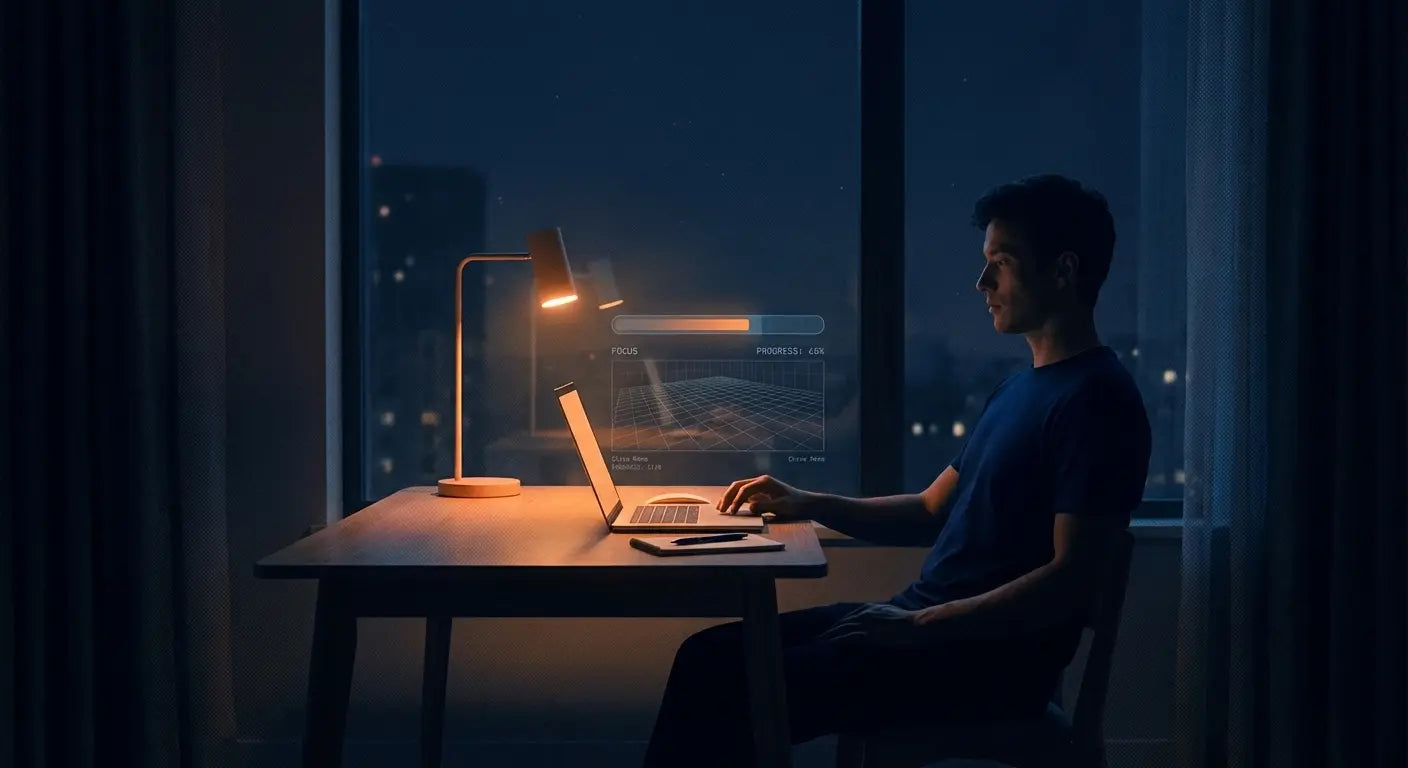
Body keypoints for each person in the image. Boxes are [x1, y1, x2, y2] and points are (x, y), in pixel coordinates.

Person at [642, 174, 1152, 767]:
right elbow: (932, 508)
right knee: (706, 656)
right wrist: (810, 503)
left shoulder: (1098, 402)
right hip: (925, 629)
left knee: (727, 690)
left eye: (1001, 264)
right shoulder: (1020, 388)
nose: (981, 283)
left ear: (1063, 272)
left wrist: (919, 629)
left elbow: (1071, 579)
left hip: (975, 664)